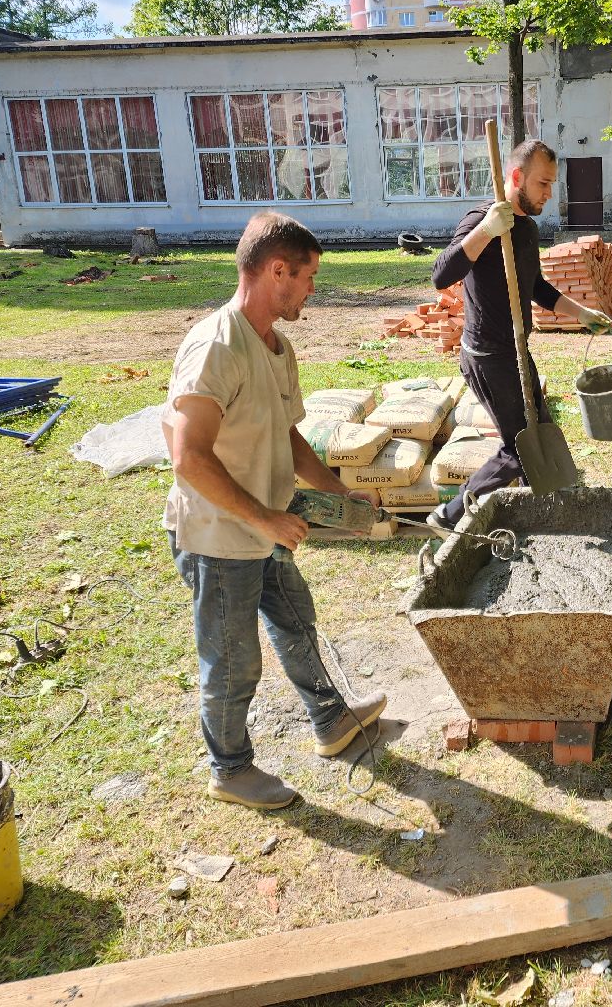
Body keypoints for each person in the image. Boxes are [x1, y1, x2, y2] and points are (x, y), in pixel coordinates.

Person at [162, 211, 388, 810]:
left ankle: (331, 721)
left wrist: (340, 494)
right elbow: (187, 457)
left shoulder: (276, 346)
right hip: (219, 538)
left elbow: (289, 438)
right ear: (277, 270)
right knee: (233, 661)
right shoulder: (217, 346)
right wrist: (263, 519)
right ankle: (229, 769)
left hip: (265, 526)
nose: (313, 289)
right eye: (308, 276)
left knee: (295, 619)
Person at [426, 140, 612, 529]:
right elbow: (442, 274)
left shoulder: (526, 228)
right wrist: (486, 231)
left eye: (551, 184)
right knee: (519, 450)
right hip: (487, 357)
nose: (549, 193)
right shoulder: (482, 218)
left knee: (540, 435)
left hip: (514, 351)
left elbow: (537, 288)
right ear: (516, 177)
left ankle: (544, 515)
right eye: (543, 184)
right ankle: (449, 515)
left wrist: (582, 313)